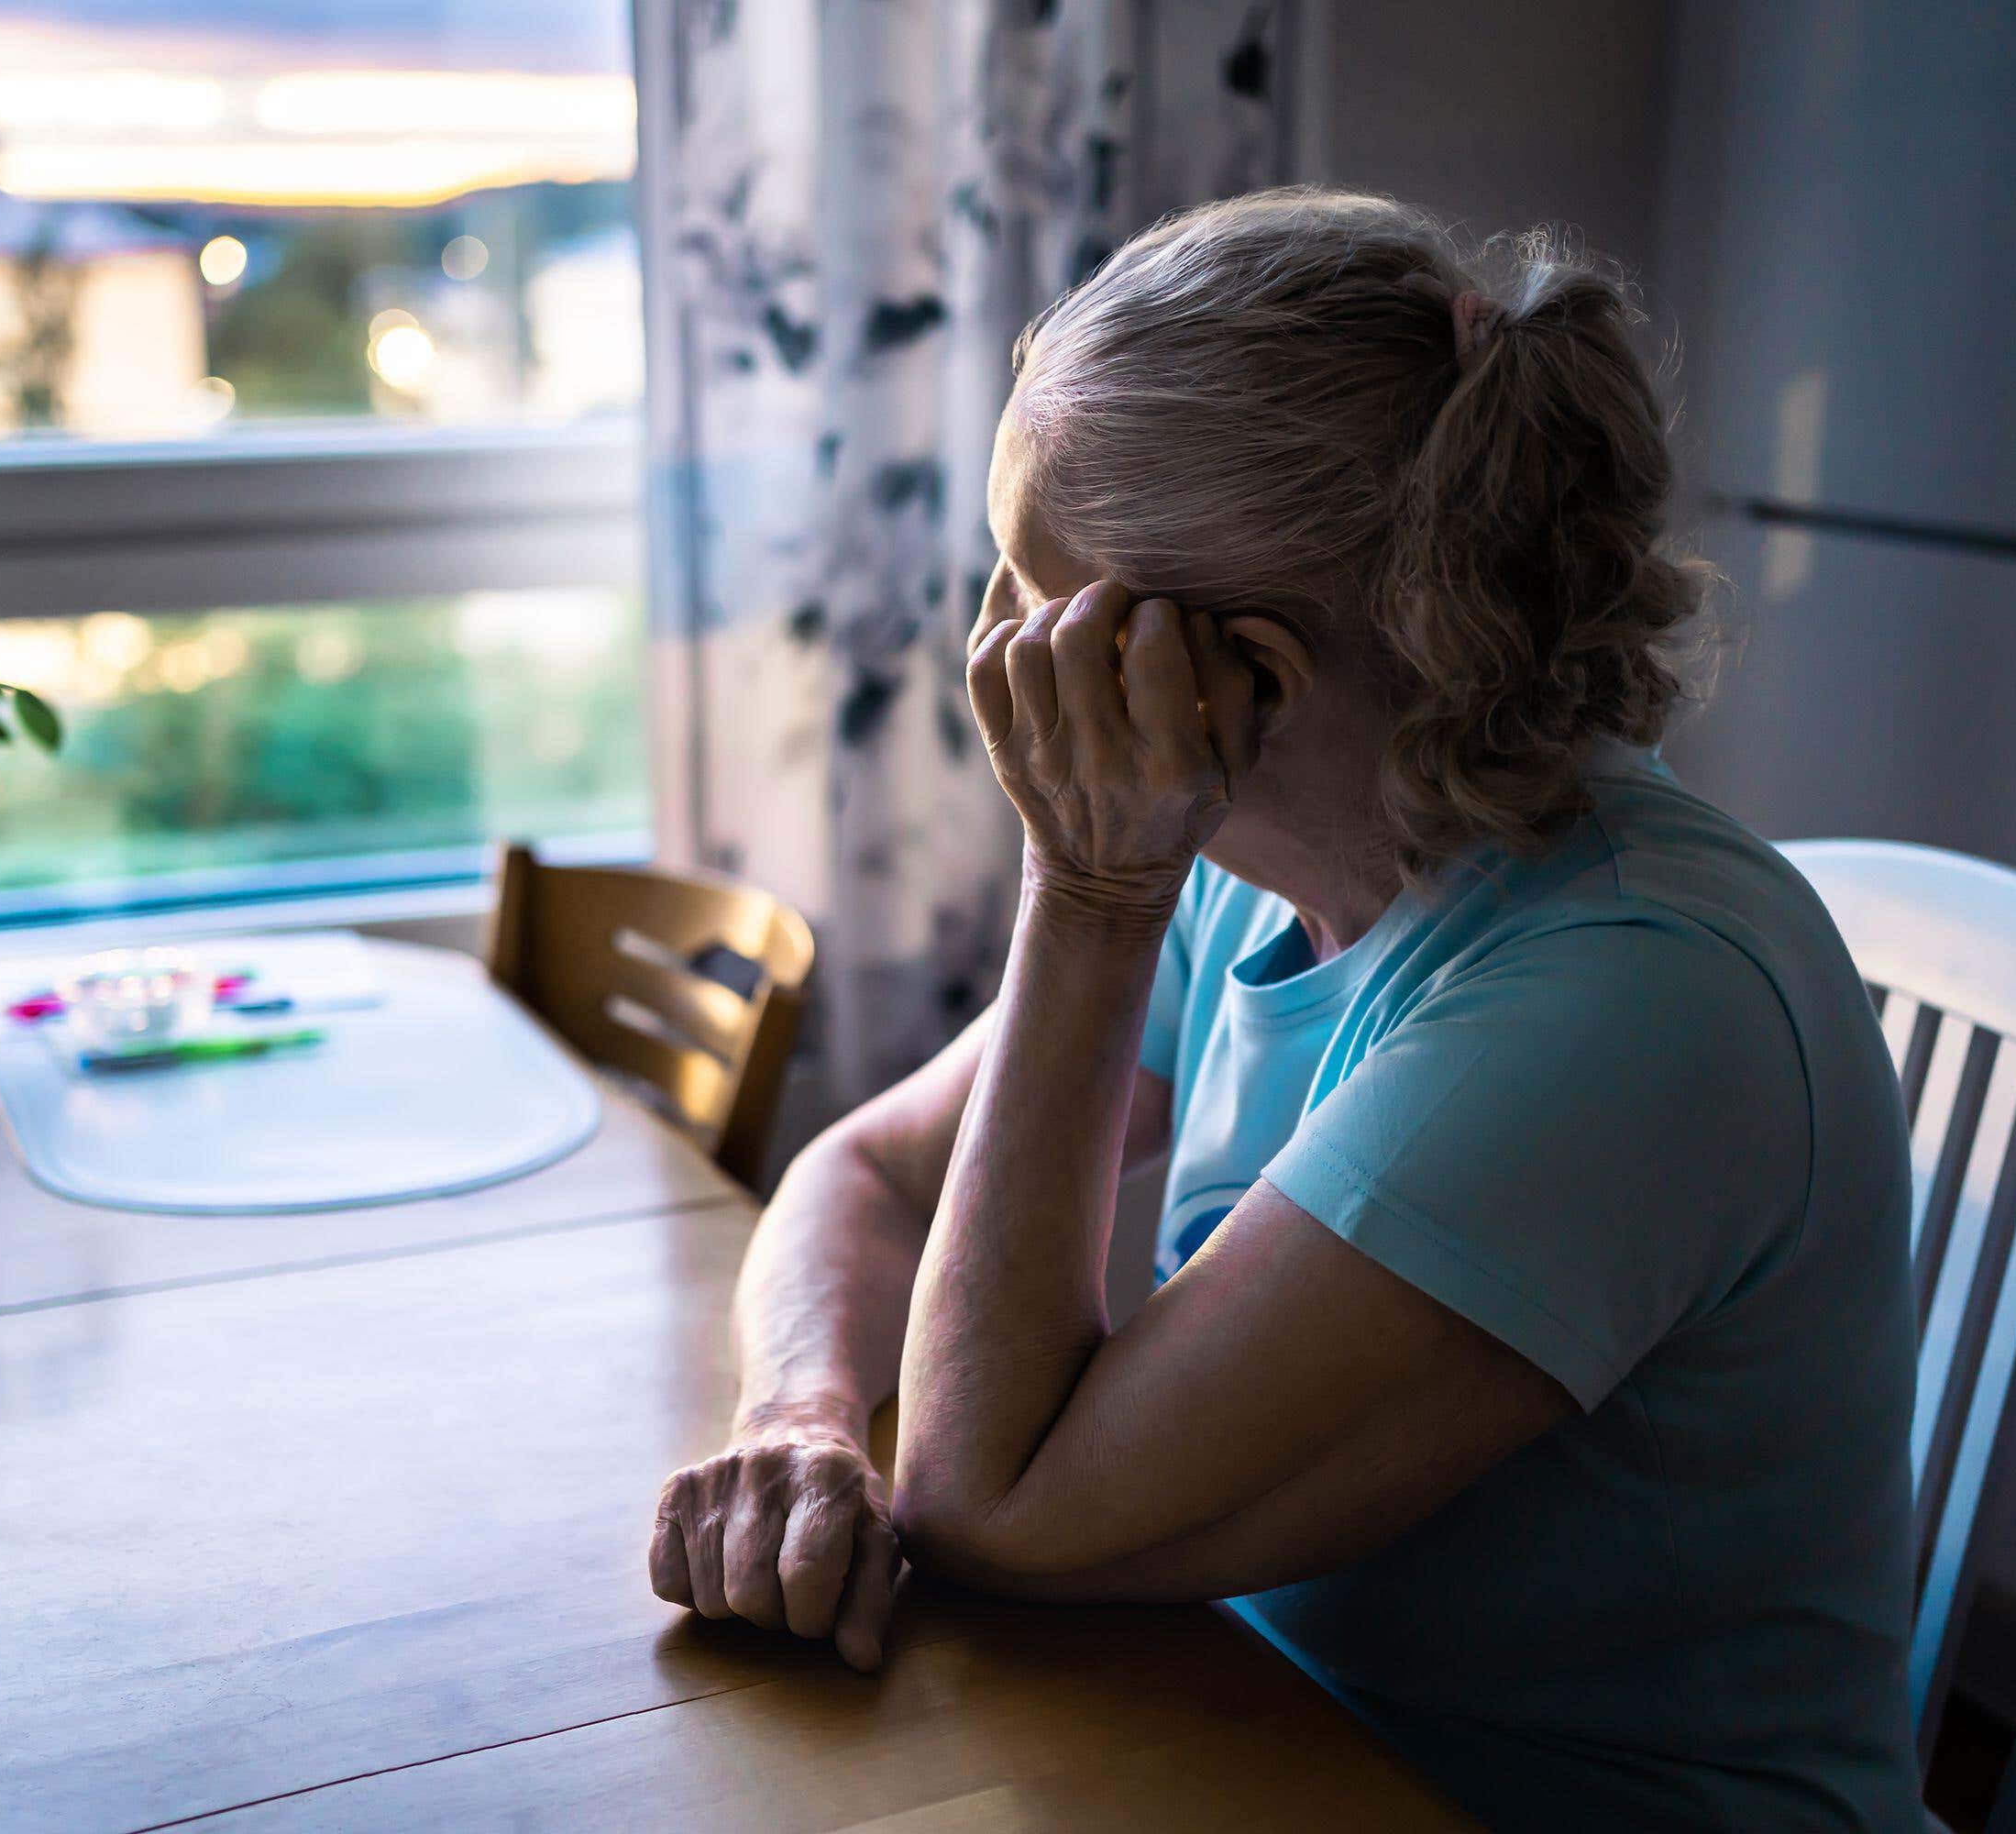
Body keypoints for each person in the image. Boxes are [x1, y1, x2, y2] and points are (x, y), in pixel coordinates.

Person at [645, 189, 1919, 1832]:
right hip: (1245, 1738)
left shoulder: (1624, 1003)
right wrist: (802, 1418)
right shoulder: (1276, 868)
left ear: (1247, 670)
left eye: (1032, 595)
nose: (984, 653)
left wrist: (1087, 895)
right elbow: (869, 1177)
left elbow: (993, 1499)